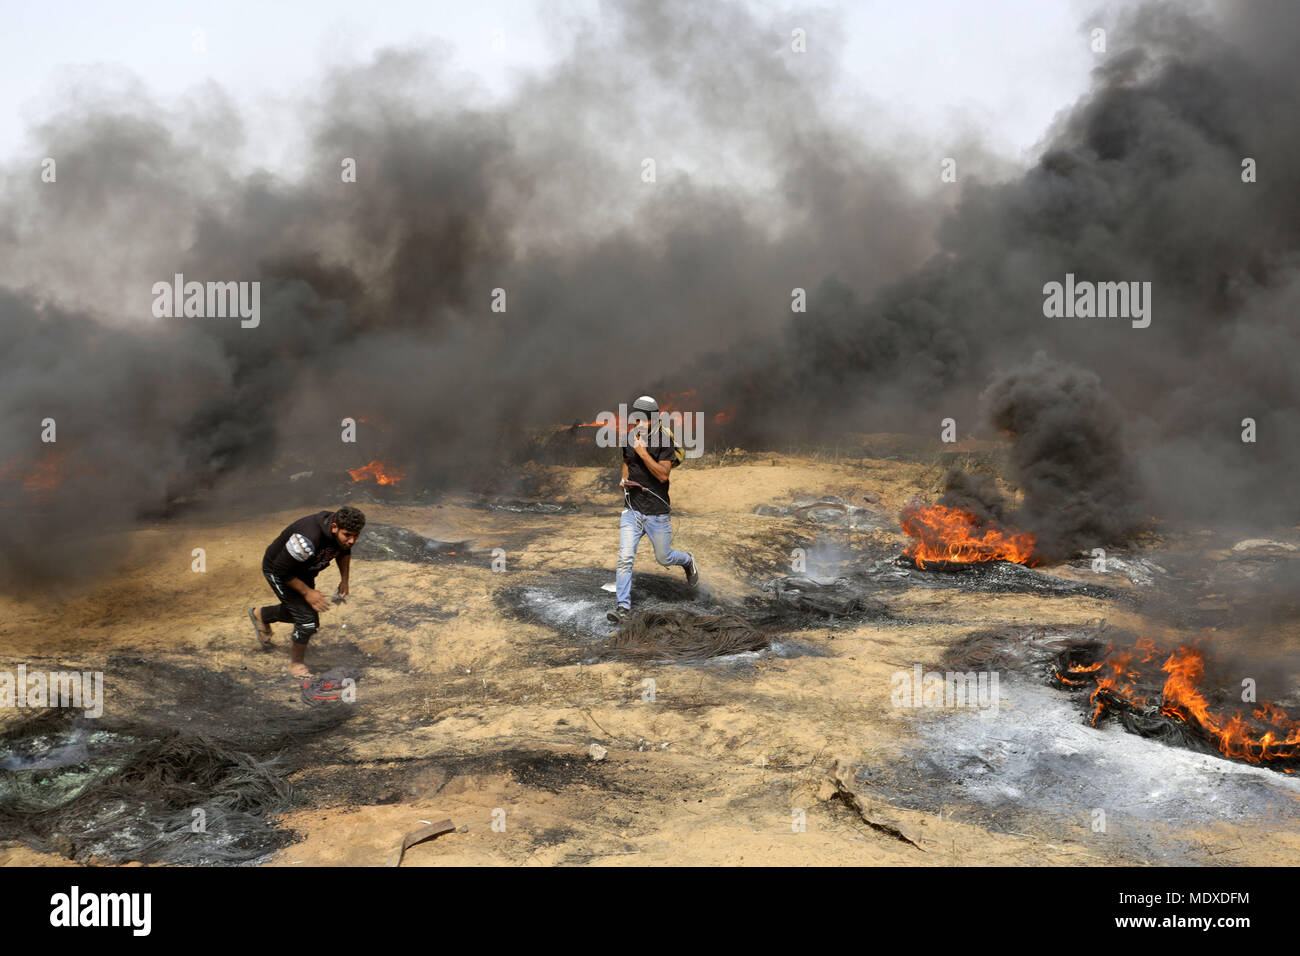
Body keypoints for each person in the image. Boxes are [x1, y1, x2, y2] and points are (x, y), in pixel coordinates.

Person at [608, 395, 698, 625]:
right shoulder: (629, 437)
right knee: (625, 558)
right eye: (635, 418)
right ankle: (623, 608)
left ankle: (687, 561)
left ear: (652, 418)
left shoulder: (663, 440)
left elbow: (663, 474)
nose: (638, 422)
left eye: (643, 418)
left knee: (664, 557)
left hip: (657, 512)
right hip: (632, 510)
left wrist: (643, 452)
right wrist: (624, 480)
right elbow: (627, 462)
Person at [248, 505, 366, 677]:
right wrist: (307, 592)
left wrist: (344, 581)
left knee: (303, 614)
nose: (352, 540)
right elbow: (281, 570)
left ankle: (262, 615)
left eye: (356, 536)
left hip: (303, 570)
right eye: (347, 535)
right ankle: (296, 665)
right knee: (307, 622)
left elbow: (344, 552)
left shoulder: (342, 536)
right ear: (334, 527)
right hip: (279, 570)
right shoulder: (307, 539)